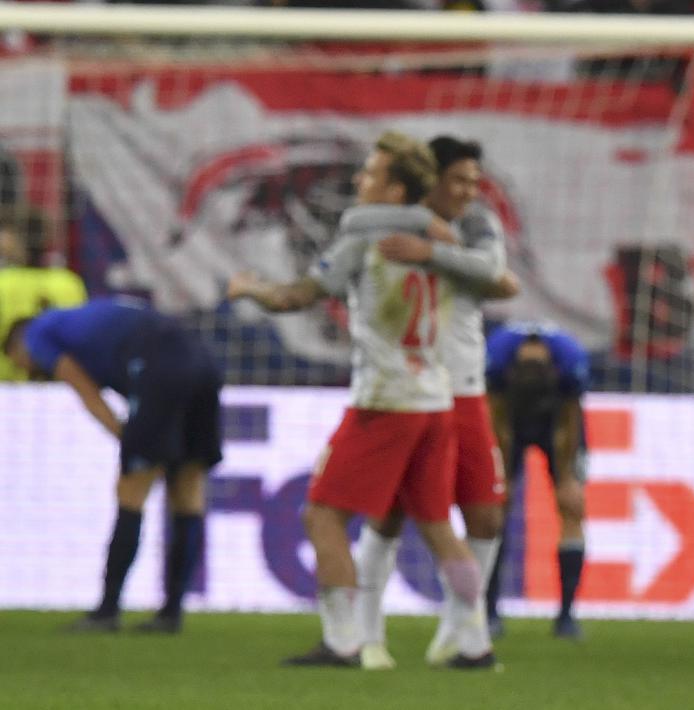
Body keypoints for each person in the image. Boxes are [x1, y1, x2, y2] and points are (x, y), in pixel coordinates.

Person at [227, 130, 489, 668]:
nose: (357, 180)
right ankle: (474, 641)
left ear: (395, 191)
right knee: (438, 527)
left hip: (385, 400)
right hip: (436, 400)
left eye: (369, 173)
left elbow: (297, 296)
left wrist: (252, 288)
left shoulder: (363, 241)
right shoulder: (443, 240)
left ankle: (343, 641)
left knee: (321, 516)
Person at [350, 136, 518, 671]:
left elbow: (495, 272)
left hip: (467, 390)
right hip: (408, 390)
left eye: (474, 181)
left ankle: (458, 631)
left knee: (486, 515)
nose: (469, 192)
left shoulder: (475, 224)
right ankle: (365, 632)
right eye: (459, 181)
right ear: (433, 181)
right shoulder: (393, 224)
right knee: (390, 514)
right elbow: (494, 279)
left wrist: (435, 254)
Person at [3, 297, 221, 634]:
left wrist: (128, 438)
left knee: (131, 489)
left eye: (15, 359)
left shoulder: (39, 334)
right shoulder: (80, 320)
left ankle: (107, 611)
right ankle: (171, 613)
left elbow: (88, 393)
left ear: (18, 341)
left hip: (158, 362)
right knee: (188, 491)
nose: (22, 367)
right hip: (202, 360)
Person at [485, 321, 589, 640]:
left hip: (555, 418)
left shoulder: (572, 361)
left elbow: (570, 421)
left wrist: (567, 476)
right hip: (511, 420)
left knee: (571, 508)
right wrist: (503, 475)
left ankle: (567, 615)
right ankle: (489, 611)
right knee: (495, 510)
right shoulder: (496, 357)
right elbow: (496, 418)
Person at [0, 204, 87, 381]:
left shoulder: (4, 282)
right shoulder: (70, 282)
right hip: (60, 384)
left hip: (8, 385)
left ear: (16, 240)